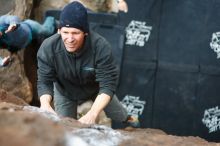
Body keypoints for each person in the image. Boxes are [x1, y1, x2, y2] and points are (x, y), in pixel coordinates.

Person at [37, 1, 139, 127]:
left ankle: (130, 120)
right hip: (64, 91)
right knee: (67, 127)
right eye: (65, 32)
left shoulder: (100, 47)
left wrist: (93, 113)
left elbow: (108, 85)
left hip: (96, 89)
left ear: (85, 32)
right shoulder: (48, 47)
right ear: (59, 30)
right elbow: (44, 81)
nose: (70, 39)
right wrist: (45, 105)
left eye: (75, 33)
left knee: (121, 115)